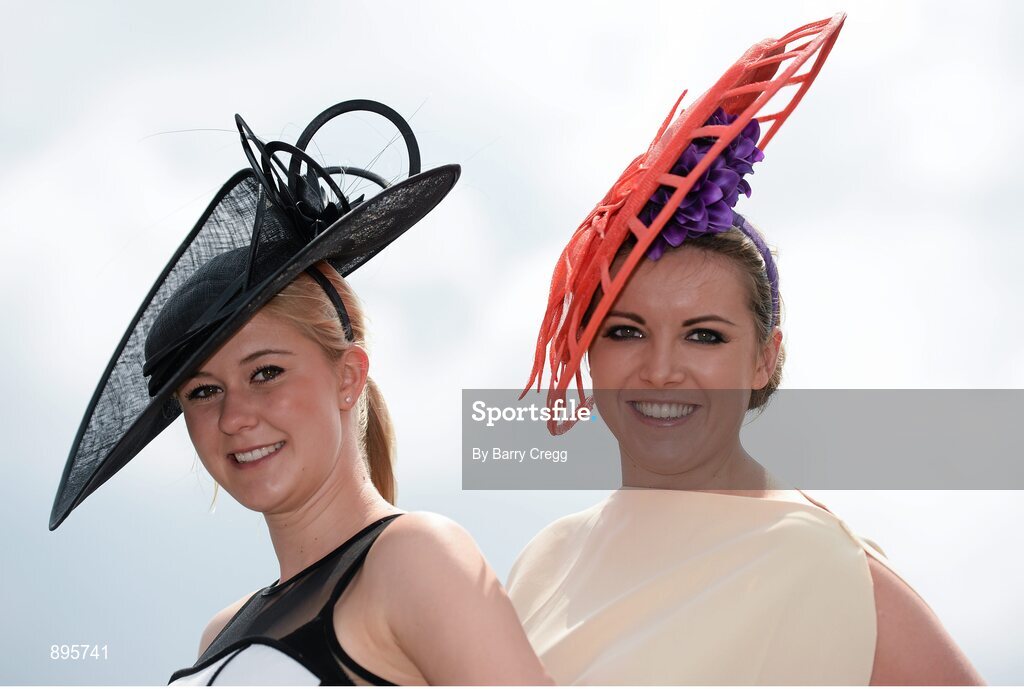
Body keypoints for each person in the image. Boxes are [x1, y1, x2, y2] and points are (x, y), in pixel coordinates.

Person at [507, 15, 983, 685]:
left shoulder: (816, 559)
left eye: (705, 335)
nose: (661, 369)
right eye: (625, 330)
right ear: (588, 348)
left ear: (764, 357)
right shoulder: (541, 562)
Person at [51, 100, 550, 685]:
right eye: (203, 391)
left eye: (266, 372)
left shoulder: (414, 559)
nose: (234, 416)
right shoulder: (218, 633)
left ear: (348, 376)